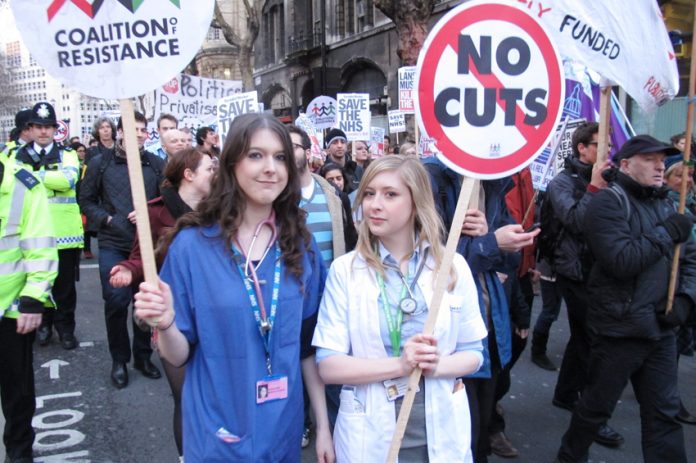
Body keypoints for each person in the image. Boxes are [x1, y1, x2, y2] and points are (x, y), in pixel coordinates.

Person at [133, 114, 334, 462]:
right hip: (216, 433)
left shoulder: (301, 245)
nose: (270, 168)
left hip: (282, 432)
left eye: (280, 157)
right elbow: (177, 354)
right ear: (231, 163)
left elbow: (307, 346)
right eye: (256, 155)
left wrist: (324, 427)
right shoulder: (191, 246)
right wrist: (164, 322)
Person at [313, 155, 487, 461]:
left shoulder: (452, 266)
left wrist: (434, 365)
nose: (374, 204)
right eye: (369, 193)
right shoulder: (345, 270)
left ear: (416, 201)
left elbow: (474, 353)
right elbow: (328, 366)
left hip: (441, 432)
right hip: (370, 435)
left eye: (390, 194)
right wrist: (401, 365)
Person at [555, 135, 696, 463]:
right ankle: (569, 457)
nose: (660, 165)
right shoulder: (607, 203)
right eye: (650, 159)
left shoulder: (667, 204)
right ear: (626, 165)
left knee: (664, 415)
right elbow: (621, 260)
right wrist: (666, 233)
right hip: (620, 329)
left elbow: (689, 259)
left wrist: (685, 301)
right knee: (595, 410)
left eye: (662, 159)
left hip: (661, 330)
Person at [423, 155, 537, 462]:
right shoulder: (433, 178)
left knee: (481, 423)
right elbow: (433, 262)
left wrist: (498, 240)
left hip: (488, 319)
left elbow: (510, 260)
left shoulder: (494, 182)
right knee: (458, 431)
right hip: (447, 327)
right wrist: (490, 242)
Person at [109, 147, 215, 460]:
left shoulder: (223, 211)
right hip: (174, 316)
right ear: (189, 174)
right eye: (209, 168)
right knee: (184, 396)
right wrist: (127, 271)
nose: (215, 173)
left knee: (217, 393)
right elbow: (142, 257)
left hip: (213, 313)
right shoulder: (154, 212)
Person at [545, 122, 624, 448]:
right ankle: (592, 414)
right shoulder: (561, 183)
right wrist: (593, 188)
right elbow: (577, 221)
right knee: (593, 342)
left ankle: (565, 394)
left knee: (582, 339)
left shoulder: (612, 180)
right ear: (582, 148)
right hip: (574, 271)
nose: (607, 154)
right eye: (599, 146)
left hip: (602, 270)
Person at [79, 111, 165, 388]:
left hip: (145, 245)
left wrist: (148, 213)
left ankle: (142, 356)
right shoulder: (99, 164)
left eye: (142, 130)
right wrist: (108, 219)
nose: (138, 134)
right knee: (116, 301)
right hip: (113, 243)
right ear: (119, 132)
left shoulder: (155, 164)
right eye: (132, 128)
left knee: (145, 301)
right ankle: (119, 360)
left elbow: (168, 197)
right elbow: (86, 200)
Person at [288, 124, 357, 446]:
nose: (289, 153)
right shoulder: (275, 196)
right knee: (297, 360)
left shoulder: (333, 195)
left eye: (295, 146)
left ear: (307, 151)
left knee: (331, 361)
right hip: (294, 297)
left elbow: (352, 242)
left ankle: (333, 424)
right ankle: (301, 422)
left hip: (333, 295)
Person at [0, 150, 58, 463]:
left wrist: (33, 300)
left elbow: (40, 245)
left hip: (10, 308)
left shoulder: (24, 185)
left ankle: (19, 452)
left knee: (17, 392)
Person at [12, 102, 83, 351]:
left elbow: (68, 179)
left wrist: (35, 175)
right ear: (30, 129)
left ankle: (66, 329)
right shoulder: (16, 156)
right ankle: (44, 325)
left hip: (65, 233)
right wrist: (49, 178)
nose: (43, 131)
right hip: (32, 234)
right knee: (37, 283)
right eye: (38, 127)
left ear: (55, 129)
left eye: (47, 127)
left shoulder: (68, 154)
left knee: (64, 288)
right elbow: (16, 182)